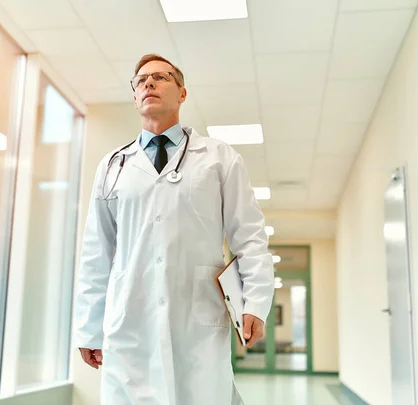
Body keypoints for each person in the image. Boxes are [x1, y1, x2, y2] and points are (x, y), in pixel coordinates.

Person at [73, 54, 275, 405]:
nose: (148, 83)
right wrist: (89, 326)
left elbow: (250, 237)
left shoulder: (219, 158)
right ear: (135, 96)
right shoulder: (113, 166)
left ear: (182, 93)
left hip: (197, 318)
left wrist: (255, 301)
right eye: (140, 81)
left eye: (161, 77)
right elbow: (97, 250)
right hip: (130, 323)